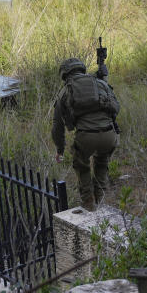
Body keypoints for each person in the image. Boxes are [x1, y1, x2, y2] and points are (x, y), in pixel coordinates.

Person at [52, 58, 120, 211]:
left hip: (86, 137)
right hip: (109, 134)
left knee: (82, 166)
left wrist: (60, 150)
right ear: (81, 69)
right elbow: (116, 107)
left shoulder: (65, 91)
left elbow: (57, 126)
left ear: (65, 74)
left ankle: (89, 204)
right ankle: (102, 205)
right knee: (102, 164)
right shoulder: (101, 83)